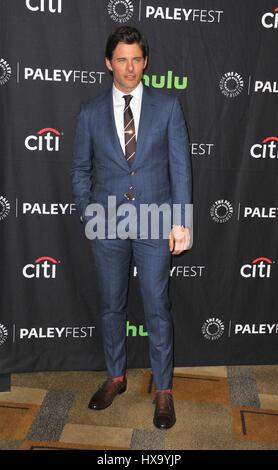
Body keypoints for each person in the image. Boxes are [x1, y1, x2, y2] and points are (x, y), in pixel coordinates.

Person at [70, 26, 192, 429]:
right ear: (109, 63)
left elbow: (180, 169)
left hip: (155, 219)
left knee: (158, 307)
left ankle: (163, 390)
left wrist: (181, 222)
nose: (130, 67)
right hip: (106, 222)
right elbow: (80, 171)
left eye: (136, 59)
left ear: (146, 61)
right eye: (121, 59)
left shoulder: (168, 107)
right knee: (111, 306)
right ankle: (116, 377)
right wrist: (90, 214)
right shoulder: (89, 112)